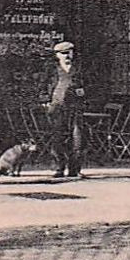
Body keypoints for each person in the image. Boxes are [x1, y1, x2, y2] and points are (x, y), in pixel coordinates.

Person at [45, 40, 86, 178]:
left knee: (77, 138)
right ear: (57, 55)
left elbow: (87, 85)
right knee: (58, 138)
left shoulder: (79, 68)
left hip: (75, 108)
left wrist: (83, 96)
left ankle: (75, 169)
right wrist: (46, 100)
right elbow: (44, 85)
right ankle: (59, 167)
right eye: (63, 53)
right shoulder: (52, 70)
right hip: (57, 107)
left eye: (69, 52)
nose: (67, 56)